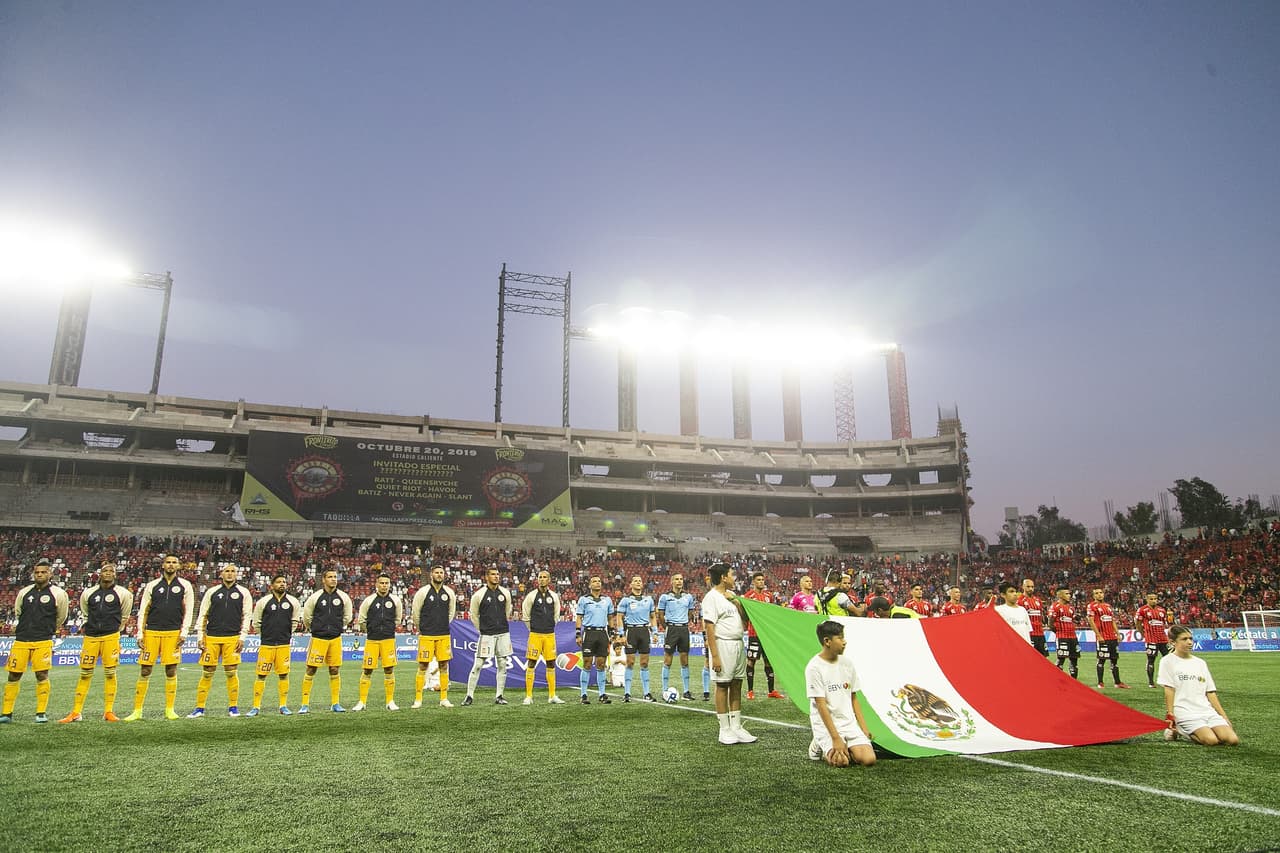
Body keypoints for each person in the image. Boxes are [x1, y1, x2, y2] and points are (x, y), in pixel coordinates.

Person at [60, 560, 133, 723]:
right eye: (105, 570)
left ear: (115, 574)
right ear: (100, 574)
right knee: (85, 673)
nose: (108, 573)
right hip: (91, 637)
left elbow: (125, 616)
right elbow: (85, 613)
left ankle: (108, 711)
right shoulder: (88, 593)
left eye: (111, 571)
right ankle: (76, 712)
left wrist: (114, 629)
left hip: (111, 636)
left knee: (110, 672)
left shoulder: (123, 593)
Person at [125, 554, 196, 721]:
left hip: (173, 633)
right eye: (168, 562)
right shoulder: (152, 585)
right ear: (163, 565)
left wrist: (184, 632)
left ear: (179, 566)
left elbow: (189, 611)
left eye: (174, 562)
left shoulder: (185, 586)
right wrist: (140, 633)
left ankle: (169, 709)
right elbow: (143, 610)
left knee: (171, 670)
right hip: (152, 632)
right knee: (145, 669)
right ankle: (137, 710)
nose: (171, 565)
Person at [1, 558, 69, 724]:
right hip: (22, 640)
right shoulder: (24, 592)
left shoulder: (58, 594)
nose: (39, 575)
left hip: (43, 640)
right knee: (13, 674)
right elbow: (19, 612)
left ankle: (41, 712)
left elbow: (61, 616)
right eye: (37, 572)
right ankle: (6, 713)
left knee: (41, 674)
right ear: (33, 573)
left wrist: (46, 629)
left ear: (50, 574)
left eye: (43, 572)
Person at [805, 620, 875, 767]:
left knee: (869, 759)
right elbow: (821, 705)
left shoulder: (847, 664)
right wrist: (835, 738)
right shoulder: (814, 667)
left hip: (848, 722)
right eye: (840, 638)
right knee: (841, 762)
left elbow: (854, 698)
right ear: (827, 641)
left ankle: (848, 746)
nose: (844, 642)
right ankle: (819, 742)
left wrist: (863, 728)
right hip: (826, 724)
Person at [188, 562, 254, 718]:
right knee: (207, 673)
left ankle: (233, 707)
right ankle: (199, 708)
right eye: (227, 571)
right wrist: (200, 636)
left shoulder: (243, 593)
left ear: (236, 574)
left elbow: (247, 616)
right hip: (211, 637)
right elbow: (202, 614)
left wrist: (243, 636)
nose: (230, 574)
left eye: (233, 571)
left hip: (232, 638)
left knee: (231, 673)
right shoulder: (212, 592)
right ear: (221, 574)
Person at [1157, 624, 1240, 746]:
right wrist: (1171, 715)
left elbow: (1210, 692)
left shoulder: (1200, 663)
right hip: (1184, 711)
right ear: (1173, 642)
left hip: (1206, 710)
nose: (1189, 642)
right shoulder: (1167, 661)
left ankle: (1200, 729)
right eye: (1184, 639)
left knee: (1232, 740)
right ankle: (1180, 730)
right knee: (1211, 741)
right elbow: (1169, 689)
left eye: (1191, 638)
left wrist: (1224, 716)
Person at [702, 563, 756, 745]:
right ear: (724, 577)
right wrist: (714, 655)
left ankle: (736, 727)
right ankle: (724, 729)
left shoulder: (732, 597)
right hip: (722, 644)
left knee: (736, 684)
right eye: (732, 575)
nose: (735, 578)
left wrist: (736, 601)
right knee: (723, 685)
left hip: (738, 643)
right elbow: (709, 627)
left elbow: (745, 619)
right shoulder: (711, 598)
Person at [299, 567, 354, 713]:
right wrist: (317, 628)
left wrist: (337, 627)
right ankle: (305, 704)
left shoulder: (343, 597)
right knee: (311, 669)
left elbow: (348, 616)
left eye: (335, 577)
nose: (333, 579)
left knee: (334, 669)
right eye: (330, 577)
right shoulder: (315, 597)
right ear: (323, 579)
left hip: (335, 638)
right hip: (318, 638)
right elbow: (307, 617)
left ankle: (335, 703)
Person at [248, 573, 302, 716]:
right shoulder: (263, 602)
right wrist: (266, 634)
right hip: (267, 644)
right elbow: (256, 622)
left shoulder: (293, 602)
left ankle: (283, 705)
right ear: (272, 585)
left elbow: (295, 621)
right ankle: (256, 706)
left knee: (283, 675)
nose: (282, 584)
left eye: (284, 581)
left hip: (284, 644)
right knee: (261, 675)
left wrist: (285, 634)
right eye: (278, 582)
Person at [464, 566, 513, 706]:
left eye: (497, 574)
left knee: (502, 664)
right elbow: (474, 616)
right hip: (487, 635)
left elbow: (507, 611)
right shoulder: (479, 595)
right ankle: (469, 696)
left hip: (503, 633)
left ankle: (499, 695)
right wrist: (483, 629)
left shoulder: (505, 593)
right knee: (478, 664)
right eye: (493, 574)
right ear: (487, 577)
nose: (496, 576)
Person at [354, 573, 402, 711]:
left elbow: (397, 619)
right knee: (367, 670)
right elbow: (362, 620)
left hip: (388, 639)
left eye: (386, 583)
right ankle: (362, 702)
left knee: (389, 669)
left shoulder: (395, 600)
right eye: (381, 583)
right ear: (376, 584)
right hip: (372, 640)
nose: (384, 585)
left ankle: (390, 701)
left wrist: (388, 628)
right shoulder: (369, 600)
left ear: (389, 585)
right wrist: (370, 630)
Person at [410, 565, 456, 708]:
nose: (439, 575)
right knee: (423, 666)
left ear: (444, 575)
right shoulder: (422, 592)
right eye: (436, 572)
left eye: (441, 572)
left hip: (443, 634)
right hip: (426, 635)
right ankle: (418, 699)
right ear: (431, 575)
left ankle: (443, 698)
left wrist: (441, 625)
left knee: (443, 665)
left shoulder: (449, 592)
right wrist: (423, 628)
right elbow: (416, 613)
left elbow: (450, 613)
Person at [521, 569, 565, 705]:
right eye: (540, 577)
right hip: (535, 634)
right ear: (537, 579)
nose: (542, 579)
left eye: (545, 577)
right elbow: (526, 616)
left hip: (549, 634)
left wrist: (549, 626)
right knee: (531, 663)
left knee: (551, 663)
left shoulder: (554, 596)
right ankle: (528, 696)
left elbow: (556, 615)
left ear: (549, 580)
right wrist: (534, 629)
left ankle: (552, 695)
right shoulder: (531, 596)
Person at [574, 575, 615, 704]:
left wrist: (612, 632)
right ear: (590, 585)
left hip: (602, 633)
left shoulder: (607, 600)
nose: (597, 583)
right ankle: (584, 694)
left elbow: (610, 618)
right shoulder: (584, 599)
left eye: (599, 581)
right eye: (594, 582)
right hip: (589, 633)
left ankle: (602, 694)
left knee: (601, 664)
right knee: (587, 663)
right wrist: (578, 634)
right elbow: (579, 617)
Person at [617, 575, 656, 702]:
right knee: (630, 662)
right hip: (631, 631)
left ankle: (647, 692)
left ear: (642, 584)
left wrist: (655, 632)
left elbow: (653, 616)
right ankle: (627, 693)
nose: (638, 582)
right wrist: (621, 634)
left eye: (640, 581)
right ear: (631, 585)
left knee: (644, 663)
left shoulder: (648, 600)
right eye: (635, 581)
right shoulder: (625, 600)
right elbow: (619, 617)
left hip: (644, 631)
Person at [657, 572, 696, 700]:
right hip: (671, 629)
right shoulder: (665, 597)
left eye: (681, 579)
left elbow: (690, 613)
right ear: (672, 582)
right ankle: (664, 690)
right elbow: (660, 615)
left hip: (684, 629)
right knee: (668, 659)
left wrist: (684, 621)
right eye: (677, 579)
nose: (679, 581)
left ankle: (686, 691)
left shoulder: (688, 597)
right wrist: (667, 626)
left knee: (685, 660)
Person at [744, 572, 782, 699]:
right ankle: (750, 691)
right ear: (753, 582)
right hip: (754, 634)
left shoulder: (768, 596)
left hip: (766, 634)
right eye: (758, 580)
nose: (761, 582)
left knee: (768, 661)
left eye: (762, 579)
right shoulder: (748, 596)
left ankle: (771, 691)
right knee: (751, 661)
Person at [1086, 587, 1129, 689]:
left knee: (1114, 660)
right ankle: (1100, 682)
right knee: (1102, 659)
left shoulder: (1108, 606)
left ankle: (1117, 682)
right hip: (1103, 637)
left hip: (1112, 637)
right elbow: (1091, 621)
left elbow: (1112, 620)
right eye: (1097, 593)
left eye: (1101, 592)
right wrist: (1098, 635)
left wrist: (1117, 633)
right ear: (1093, 596)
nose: (1099, 594)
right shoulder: (1092, 606)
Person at [1135, 592, 1171, 689]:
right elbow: (1138, 623)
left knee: (1168, 659)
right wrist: (1144, 634)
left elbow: (1163, 623)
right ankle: (1151, 682)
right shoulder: (1142, 610)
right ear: (1147, 599)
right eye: (1151, 599)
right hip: (1151, 639)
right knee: (1151, 660)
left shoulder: (1162, 610)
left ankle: (1167, 680)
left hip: (1163, 639)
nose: (1154, 600)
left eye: (1155, 599)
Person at [1048, 588, 1080, 679]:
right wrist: (1059, 632)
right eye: (1067, 594)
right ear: (1060, 595)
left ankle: (1074, 681)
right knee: (1061, 658)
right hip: (1062, 636)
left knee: (1074, 659)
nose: (1069, 595)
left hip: (1073, 637)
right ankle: (1058, 680)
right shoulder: (1055, 606)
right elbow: (1050, 623)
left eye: (1069, 594)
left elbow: (1073, 620)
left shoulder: (1071, 608)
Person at [1018, 578, 1048, 657]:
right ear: (1023, 587)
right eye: (1028, 586)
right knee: (1029, 658)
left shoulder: (1038, 600)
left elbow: (1041, 616)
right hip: (1028, 635)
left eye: (1032, 587)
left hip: (1040, 634)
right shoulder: (1019, 601)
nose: (1031, 589)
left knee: (1043, 659)